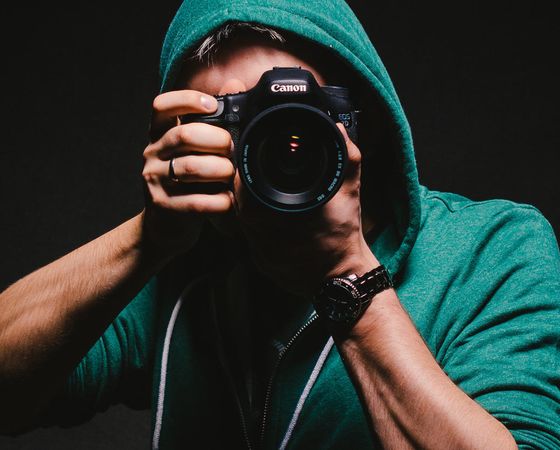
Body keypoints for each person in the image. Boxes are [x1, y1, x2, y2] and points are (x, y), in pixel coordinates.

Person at [1, 0, 559, 449]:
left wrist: (346, 273)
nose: (272, 146)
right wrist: (149, 239)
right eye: (233, 122)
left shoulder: (492, 250)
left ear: (357, 120)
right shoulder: (182, 267)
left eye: (295, 118)